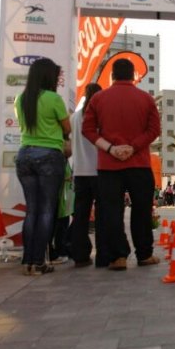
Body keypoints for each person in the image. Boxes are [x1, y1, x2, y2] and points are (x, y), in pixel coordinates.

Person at [82, 59, 161, 270]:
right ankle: (144, 254)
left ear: (112, 75)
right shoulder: (146, 98)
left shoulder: (98, 98)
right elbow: (154, 130)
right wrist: (133, 147)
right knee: (142, 210)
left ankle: (118, 256)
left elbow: (87, 130)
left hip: (108, 165)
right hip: (140, 164)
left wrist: (110, 148)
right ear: (133, 75)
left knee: (111, 212)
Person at [14, 58, 70, 276]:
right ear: (49, 77)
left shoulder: (20, 99)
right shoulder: (53, 98)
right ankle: (39, 261)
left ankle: (27, 261)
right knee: (47, 210)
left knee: (32, 210)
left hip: (24, 155)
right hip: (49, 156)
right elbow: (66, 127)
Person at [69, 83, 106, 268]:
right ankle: (103, 255)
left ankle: (80, 256)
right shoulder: (100, 116)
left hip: (79, 171)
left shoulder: (74, 117)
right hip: (99, 170)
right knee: (102, 215)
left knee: (80, 216)